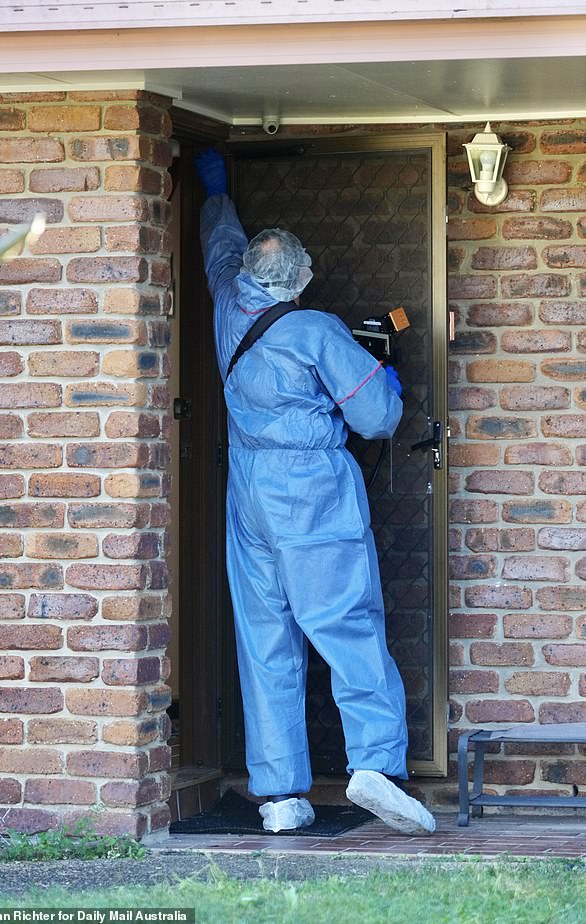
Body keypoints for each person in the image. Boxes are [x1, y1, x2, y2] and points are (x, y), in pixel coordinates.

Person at [195, 148, 436, 837]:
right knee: (348, 622)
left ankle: (277, 794)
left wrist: (217, 193)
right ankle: (377, 767)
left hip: (249, 492)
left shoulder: (226, 307)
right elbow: (377, 418)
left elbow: (221, 250)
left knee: (265, 634)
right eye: (306, 270)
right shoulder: (314, 330)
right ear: (296, 277)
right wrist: (388, 384)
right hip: (312, 492)